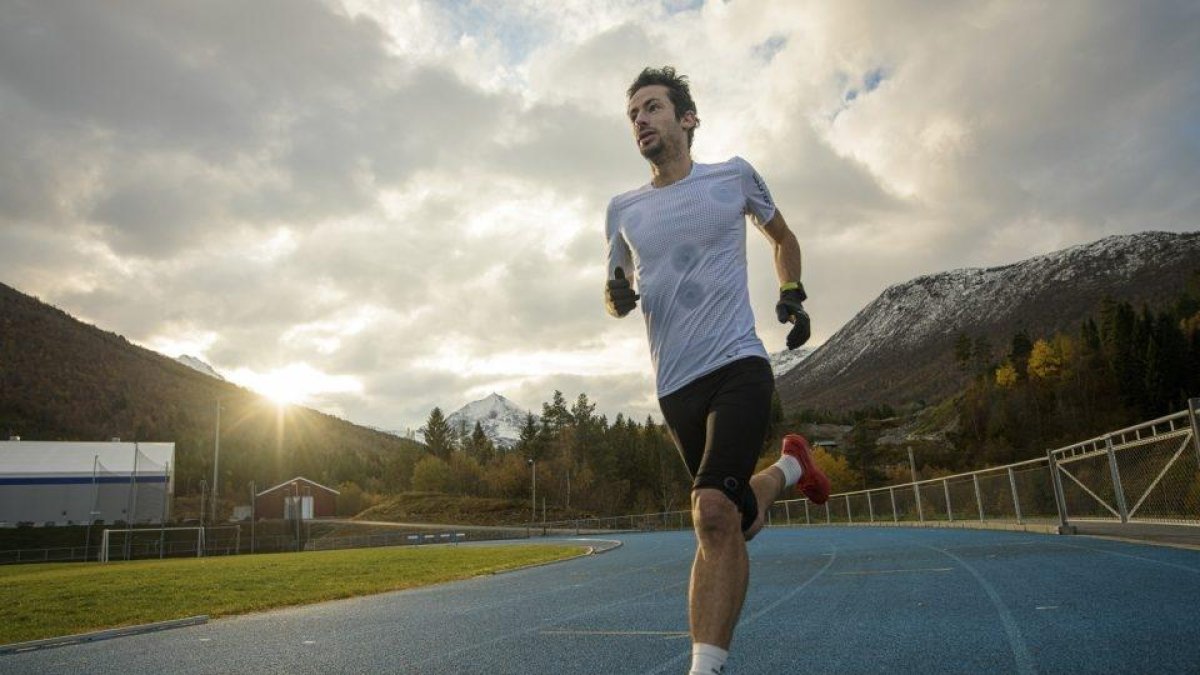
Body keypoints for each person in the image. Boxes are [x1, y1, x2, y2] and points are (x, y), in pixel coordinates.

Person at [603, 66, 831, 675]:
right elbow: (615, 285)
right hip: (675, 385)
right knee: (731, 516)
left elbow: (782, 237)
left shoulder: (733, 175)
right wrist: (616, 298)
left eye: (652, 108)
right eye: (633, 115)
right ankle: (789, 467)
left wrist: (794, 291)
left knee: (709, 510)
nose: (641, 121)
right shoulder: (621, 210)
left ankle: (705, 668)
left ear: (687, 119)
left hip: (737, 363)